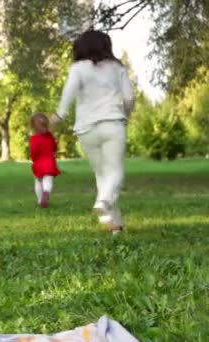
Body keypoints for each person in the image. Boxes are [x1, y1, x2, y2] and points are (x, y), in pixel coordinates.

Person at [50, 30, 135, 234]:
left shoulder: (78, 68)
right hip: (112, 124)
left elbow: (69, 91)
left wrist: (60, 114)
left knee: (102, 174)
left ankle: (115, 224)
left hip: (86, 128)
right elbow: (130, 98)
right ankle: (103, 202)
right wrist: (126, 114)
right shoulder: (117, 67)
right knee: (114, 171)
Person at [30, 113, 60, 208]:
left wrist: (34, 159)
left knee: (38, 182)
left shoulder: (33, 138)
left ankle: (40, 200)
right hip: (50, 163)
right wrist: (54, 151)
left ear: (33, 127)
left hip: (39, 163)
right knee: (48, 180)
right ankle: (46, 192)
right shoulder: (50, 136)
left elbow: (34, 152)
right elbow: (54, 147)